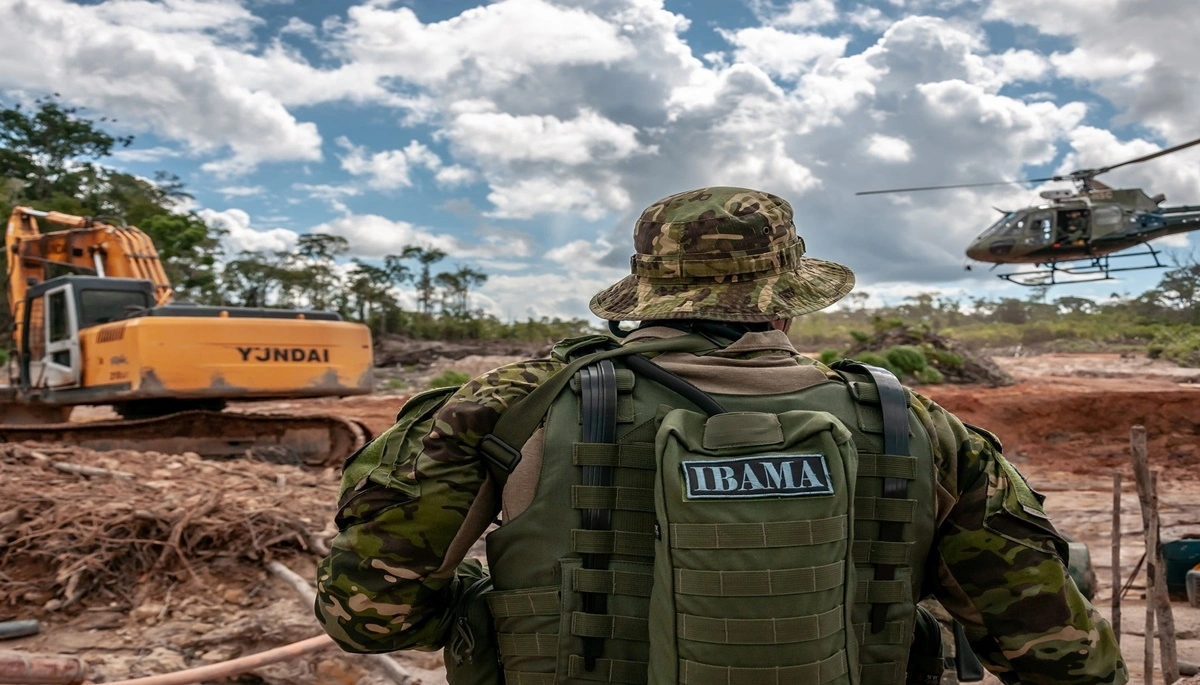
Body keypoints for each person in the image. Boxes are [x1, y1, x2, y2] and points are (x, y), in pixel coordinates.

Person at [314, 187, 1127, 685]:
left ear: (644, 294)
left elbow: (369, 616)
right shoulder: (914, 424)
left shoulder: (507, 408)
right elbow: (1061, 657)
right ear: (788, 298)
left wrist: (500, 615)